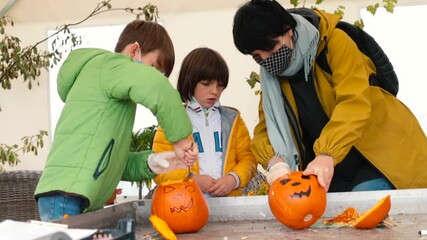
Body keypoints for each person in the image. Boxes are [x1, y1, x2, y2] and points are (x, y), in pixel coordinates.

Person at [232, 0, 427, 192]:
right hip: (329, 169)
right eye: (257, 56)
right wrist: (276, 161)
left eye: (270, 48)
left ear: (287, 30)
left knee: (362, 208)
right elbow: (265, 127)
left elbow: (353, 103)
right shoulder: (271, 79)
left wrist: (327, 153)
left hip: (381, 156)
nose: (266, 60)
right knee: (327, 220)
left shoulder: (335, 42)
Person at [34, 20, 198, 222]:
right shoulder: (107, 66)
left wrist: (150, 163)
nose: (154, 76)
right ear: (134, 51)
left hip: (73, 194)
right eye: (154, 68)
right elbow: (156, 87)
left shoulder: (113, 96)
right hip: (64, 196)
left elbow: (109, 160)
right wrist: (182, 139)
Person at [152, 47, 257, 197]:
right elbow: (159, 167)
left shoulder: (233, 119)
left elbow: (249, 159)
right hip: (187, 206)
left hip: (228, 206)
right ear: (190, 81)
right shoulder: (171, 122)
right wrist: (191, 179)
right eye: (206, 84)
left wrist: (233, 179)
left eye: (220, 85)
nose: (215, 91)